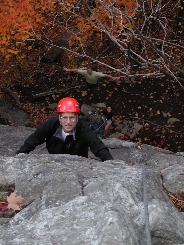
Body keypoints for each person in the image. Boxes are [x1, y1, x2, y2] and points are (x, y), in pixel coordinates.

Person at [16, 97, 113, 162]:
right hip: (55, 162)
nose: (68, 122)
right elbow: (34, 139)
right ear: (59, 118)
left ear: (77, 118)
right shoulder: (51, 125)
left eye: (72, 117)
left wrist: (110, 163)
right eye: (65, 117)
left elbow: (97, 146)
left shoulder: (83, 129)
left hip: (78, 165)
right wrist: (19, 156)